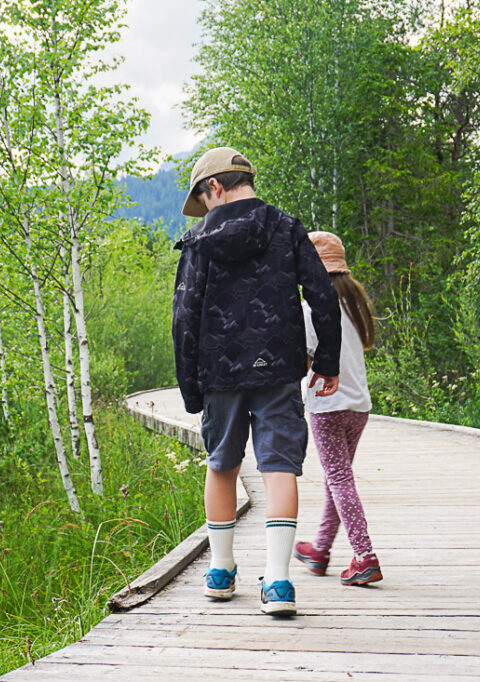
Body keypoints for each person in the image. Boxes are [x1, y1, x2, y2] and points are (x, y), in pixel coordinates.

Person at [172, 147, 341, 616]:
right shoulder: (287, 228)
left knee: (222, 464)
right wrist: (327, 361)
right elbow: (322, 294)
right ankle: (280, 583)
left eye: (203, 199)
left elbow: (185, 315)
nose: (204, 209)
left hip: (219, 373)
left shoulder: (200, 239)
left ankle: (221, 572)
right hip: (279, 369)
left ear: (215, 188)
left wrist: (190, 386)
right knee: (279, 466)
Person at [293, 232, 383, 586]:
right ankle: (320, 549)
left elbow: (302, 360)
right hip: (359, 405)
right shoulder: (355, 302)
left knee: (339, 479)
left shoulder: (311, 308)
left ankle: (365, 556)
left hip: (327, 406)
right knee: (338, 479)